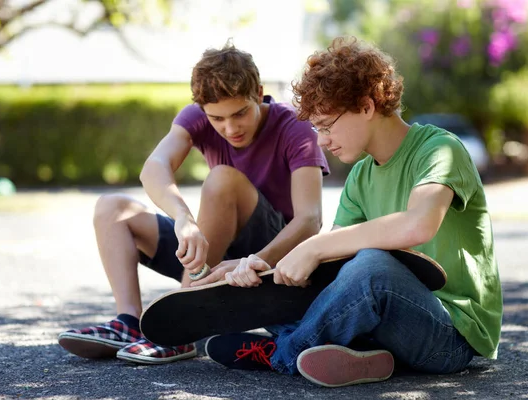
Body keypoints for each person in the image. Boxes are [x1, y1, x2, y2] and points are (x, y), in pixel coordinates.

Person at [205, 36, 503, 388]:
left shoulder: (440, 150)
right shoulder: (361, 176)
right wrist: (265, 270)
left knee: (372, 267)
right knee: (312, 285)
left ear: (366, 105)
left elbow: (418, 224)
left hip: (450, 335)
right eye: (317, 128)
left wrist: (314, 246)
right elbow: (339, 273)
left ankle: (281, 352)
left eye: (327, 125)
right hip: (389, 328)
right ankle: (365, 359)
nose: (321, 140)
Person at [57, 41, 330, 365]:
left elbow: (310, 220)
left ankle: (180, 330)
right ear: (202, 109)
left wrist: (253, 261)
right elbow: (153, 168)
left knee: (221, 179)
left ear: (258, 93)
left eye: (240, 113)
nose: (230, 128)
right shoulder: (195, 117)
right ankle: (130, 323)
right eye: (217, 118)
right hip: (214, 256)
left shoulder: (294, 126)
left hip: (269, 263)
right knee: (112, 208)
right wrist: (183, 219)